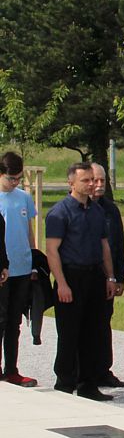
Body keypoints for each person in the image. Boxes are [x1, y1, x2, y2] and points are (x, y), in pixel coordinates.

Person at [45, 163, 113, 400]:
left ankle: (88, 384)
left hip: (94, 275)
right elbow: (52, 251)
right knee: (69, 333)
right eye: (86, 180)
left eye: (93, 180)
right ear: (71, 183)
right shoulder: (59, 213)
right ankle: (65, 382)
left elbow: (104, 245)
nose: (92, 184)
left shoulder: (96, 211)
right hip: (71, 275)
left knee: (93, 331)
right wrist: (62, 283)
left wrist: (110, 276)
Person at [89, 164, 124, 389]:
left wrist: (120, 276)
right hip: (85, 274)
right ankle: (80, 372)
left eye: (102, 181)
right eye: (94, 180)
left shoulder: (110, 210)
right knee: (83, 326)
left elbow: (118, 243)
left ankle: (103, 370)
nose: (98, 185)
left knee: (103, 324)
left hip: (109, 277)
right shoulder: (72, 209)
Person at [0, 152, 37, 387]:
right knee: (0, 320)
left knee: (15, 321)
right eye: (10, 178)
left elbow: (29, 230)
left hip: (22, 267)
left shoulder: (23, 197)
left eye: (18, 178)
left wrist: (34, 261)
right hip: (2, 268)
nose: (14, 183)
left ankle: (12, 369)